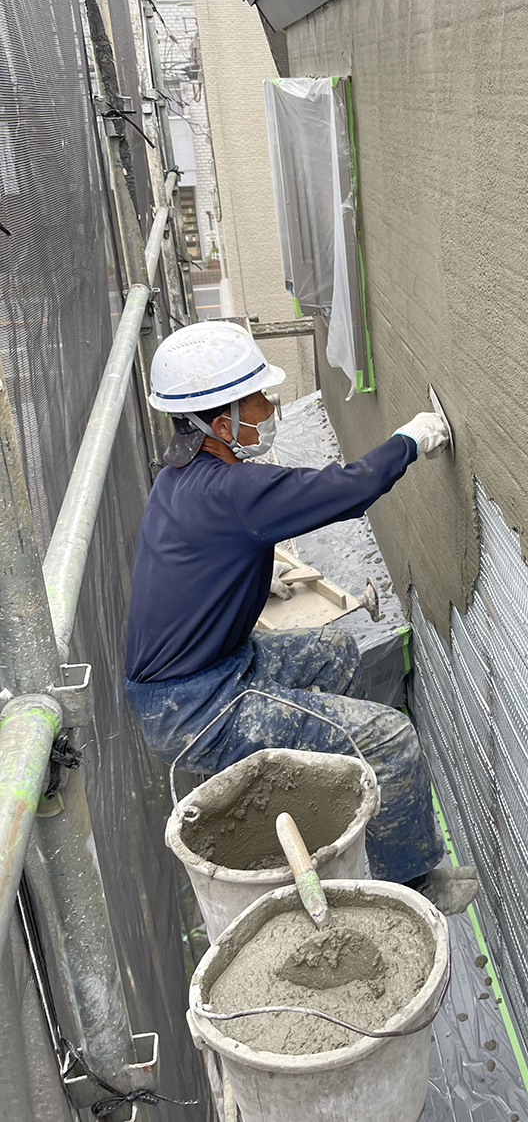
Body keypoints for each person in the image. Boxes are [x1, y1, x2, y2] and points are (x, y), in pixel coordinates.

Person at [124, 320, 476, 914]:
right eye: (256, 399)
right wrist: (409, 441)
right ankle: (408, 885)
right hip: (200, 708)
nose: (268, 408)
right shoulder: (230, 493)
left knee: (335, 653)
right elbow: (344, 490)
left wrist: (252, 578)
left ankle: (336, 777)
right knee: (391, 739)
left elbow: (195, 567)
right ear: (217, 417)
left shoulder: (180, 480)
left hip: (211, 668)